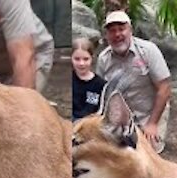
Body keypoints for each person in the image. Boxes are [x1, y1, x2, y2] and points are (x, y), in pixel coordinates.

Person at [96, 11, 172, 153]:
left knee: (148, 152)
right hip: (120, 116)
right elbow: (101, 93)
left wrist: (152, 123)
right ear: (107, 35)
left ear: (130, 30)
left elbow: (164, 88)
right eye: (112, 31)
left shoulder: (148, 50)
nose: (117, 34)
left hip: (150, 112)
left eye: (121, 29)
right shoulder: (103, 59)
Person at [72, 37, 106, 121]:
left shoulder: (100, 84)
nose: (81, 63)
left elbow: (98, 111)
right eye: (77, 59)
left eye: (86, 59)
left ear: (92, 58)